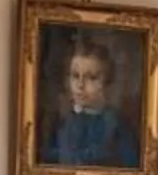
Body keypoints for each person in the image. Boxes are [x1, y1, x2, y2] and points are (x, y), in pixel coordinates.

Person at [44, 33, 141, 168]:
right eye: (75, 76)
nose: (80, 85)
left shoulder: (117, 124)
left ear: (107, 83)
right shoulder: (62, 122)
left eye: (92, 78)